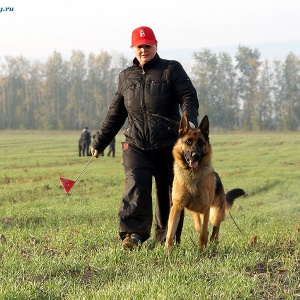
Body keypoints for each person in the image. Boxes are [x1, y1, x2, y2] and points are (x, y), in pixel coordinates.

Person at [91, 26, 199, 250]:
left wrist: (189, 121)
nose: (144, 50)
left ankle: (166, 239)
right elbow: (116, 112)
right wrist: (99, 142)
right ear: (133, 48)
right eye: (139, 46)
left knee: (168, 193)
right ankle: (133, 235)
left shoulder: (171, 69)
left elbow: (188, 95)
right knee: (135, 184)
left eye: (148, 46)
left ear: (156, 45)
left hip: (168, 144)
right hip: (136, 144)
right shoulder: (125, 77)